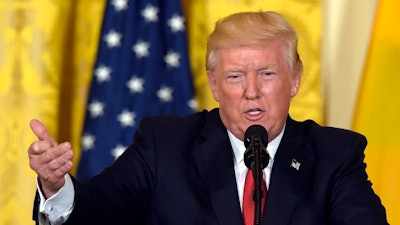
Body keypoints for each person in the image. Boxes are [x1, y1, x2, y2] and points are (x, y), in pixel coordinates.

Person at [28, 11, 388, 225]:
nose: (251, 91)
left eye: (266, 74)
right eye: (234, 77)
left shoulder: (335, 154)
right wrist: (56, 187)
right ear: (214, 84)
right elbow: (99, 212)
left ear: (294, 79)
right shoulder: (164, 145)